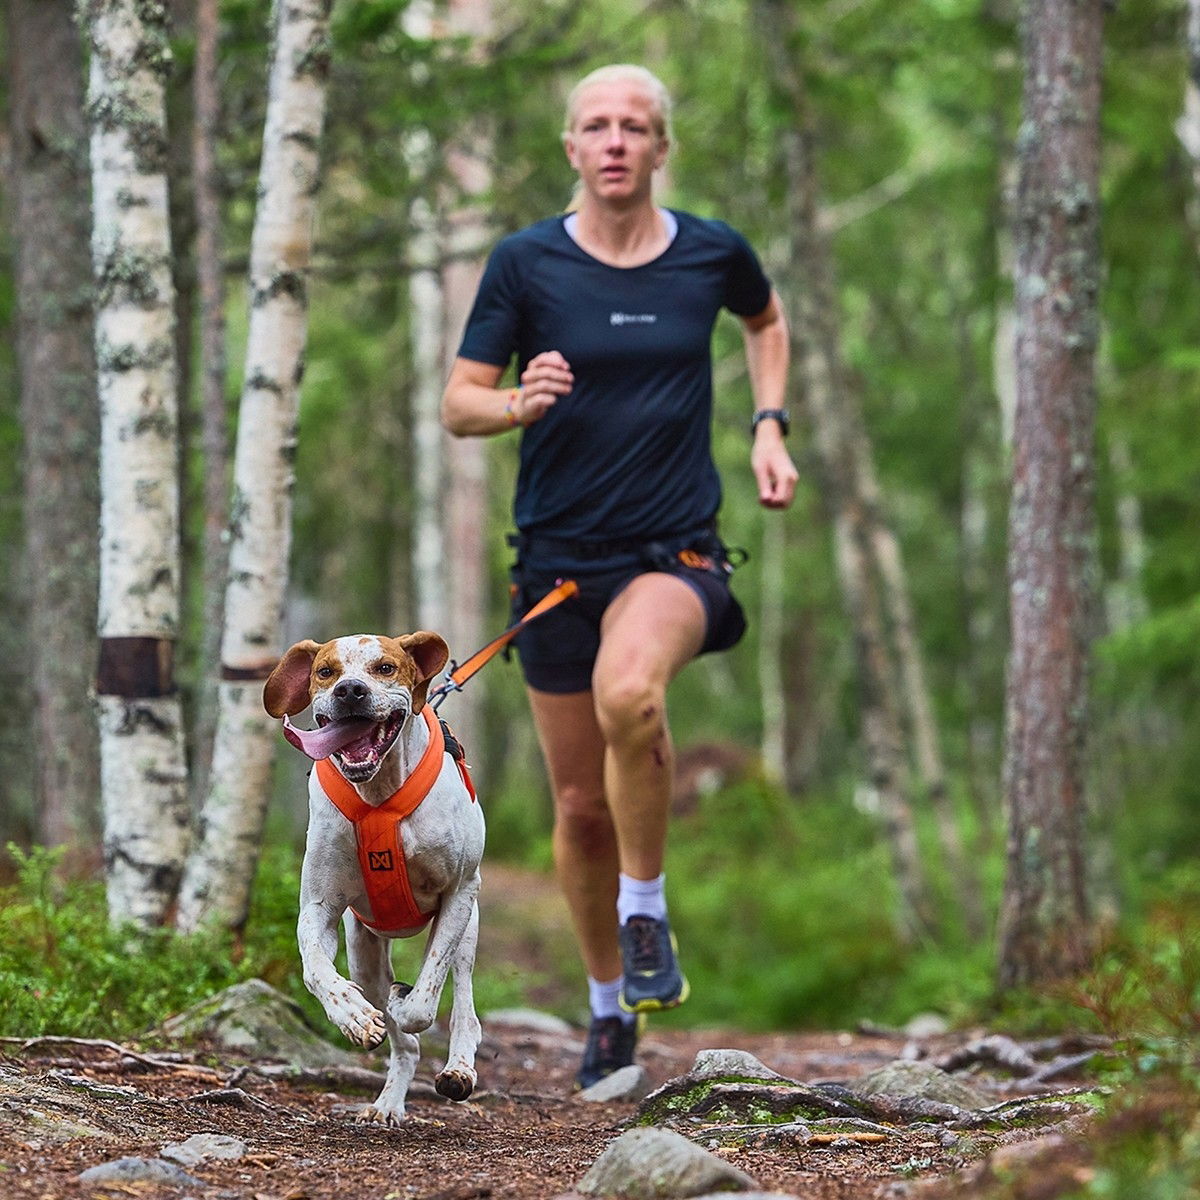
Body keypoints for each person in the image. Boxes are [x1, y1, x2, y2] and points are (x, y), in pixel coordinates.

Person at [441, 63, 798, 1089]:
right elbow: (459, 403)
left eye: (633, 127)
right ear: (571, 148)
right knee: (578, 805)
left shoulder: (713, 253)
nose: (613, 142)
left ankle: (646, 912)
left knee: (629, 694)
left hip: (674, 553)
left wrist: (768, 426)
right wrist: (517, 400)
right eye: (595, 126)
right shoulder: (526, 265)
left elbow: (766, 322)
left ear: (658, 147)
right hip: (556, 564)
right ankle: (608, 1010)